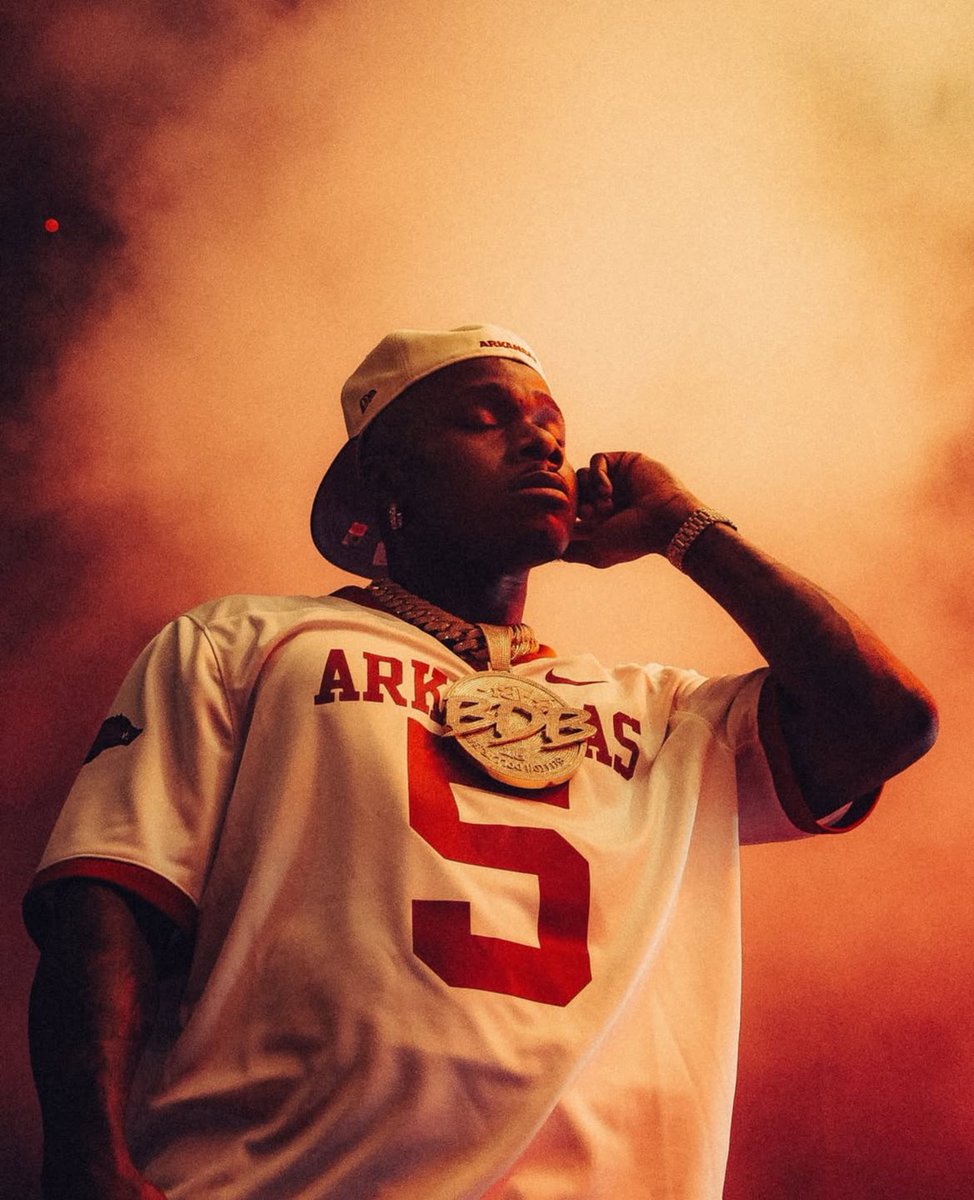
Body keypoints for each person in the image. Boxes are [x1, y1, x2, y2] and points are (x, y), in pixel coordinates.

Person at [26, 325, 937, 1200]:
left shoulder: (665, 714)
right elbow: (109, 901)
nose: (541, 440)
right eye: (485, 417)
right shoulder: (246, 640)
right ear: (388, 477)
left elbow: (886, 720)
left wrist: (684, 528)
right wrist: (86, 1160)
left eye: (552, 424)